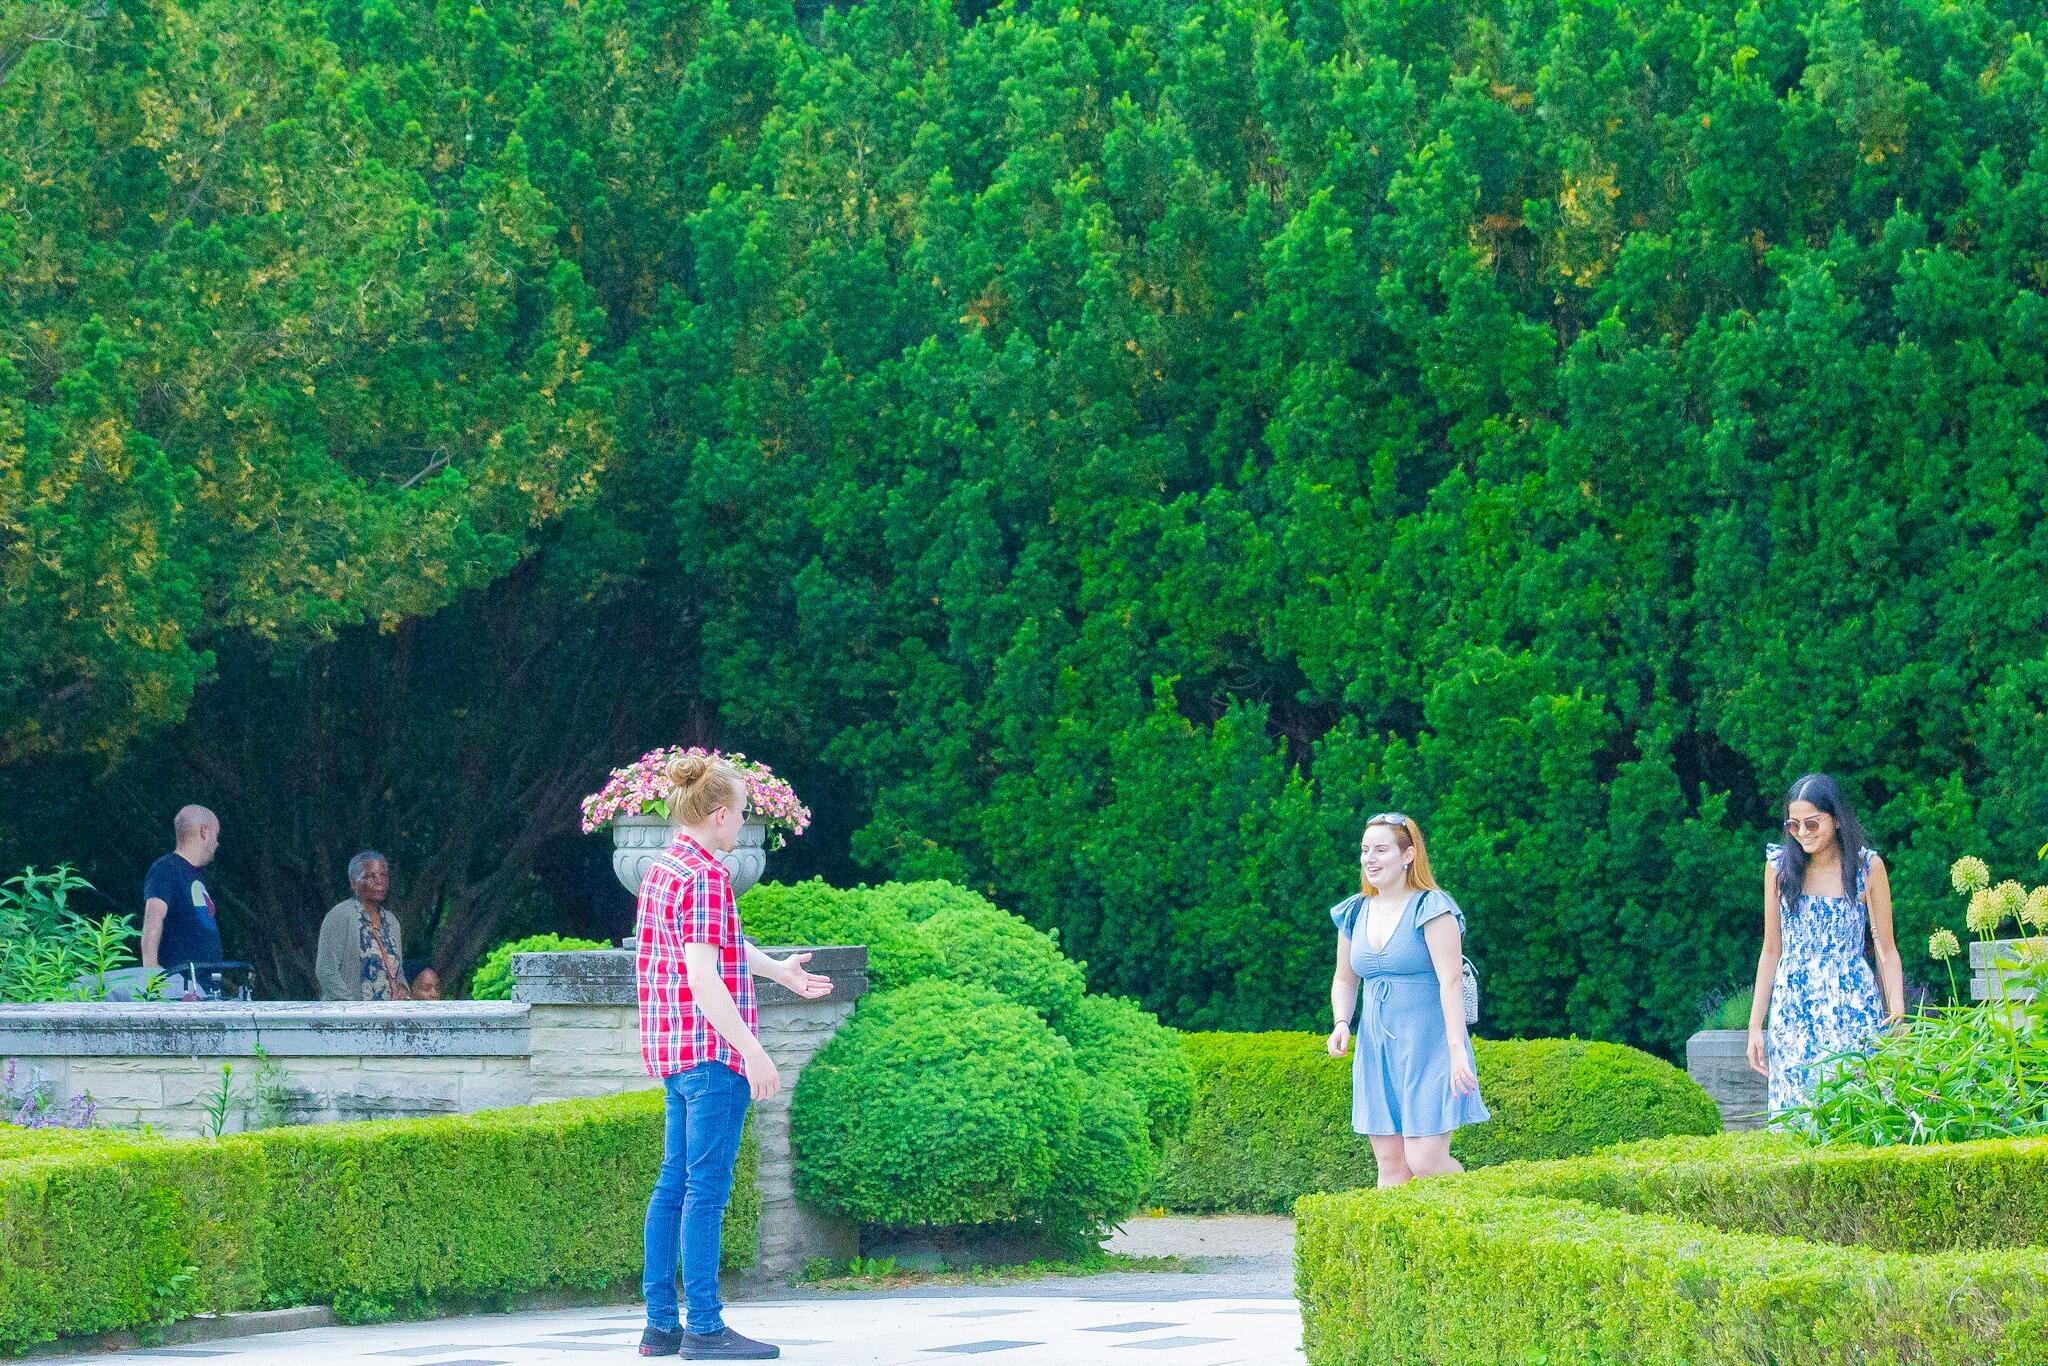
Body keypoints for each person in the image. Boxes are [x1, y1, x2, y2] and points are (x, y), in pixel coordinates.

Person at [637, 753, 832, 1361]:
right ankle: (705, 1329)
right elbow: (703, 973)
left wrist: (780, 971)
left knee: (674, 1185)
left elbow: (720, 945)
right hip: (710, 1055)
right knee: (705, 1191)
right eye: (743, 814)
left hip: (673, 1053)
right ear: (719, 816)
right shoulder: (707, 876)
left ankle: (661, 1328)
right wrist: (754, 1053)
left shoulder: (665, 866)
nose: (744, 823)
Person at [1325, 811, 1489, 1186]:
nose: (1370, 859)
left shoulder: (1432, 907)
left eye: (1381, 849)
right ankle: (1402, 1245)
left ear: (1408, 855)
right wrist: (1340, 1024)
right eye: (1366, 850)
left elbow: (1450, 981)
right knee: (1392, 1167)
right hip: (1376, 1046)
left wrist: (1457, 1050)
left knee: (1426, 1161)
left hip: (1430, 1045)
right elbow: (1344, 978)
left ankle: (1477, 1201)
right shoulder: (1354, 912)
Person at [1746, 773, 1905, 1119]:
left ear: (1835, 820)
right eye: (1794, 825)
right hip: (1793, 1013)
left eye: (1812, 824)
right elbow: (1771, 950)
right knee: (1796, 1118)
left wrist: (1897, 1012)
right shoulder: (1779, 869)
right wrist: (1755, 1026)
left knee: (1856, 1113)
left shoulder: (1867, 868)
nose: (1803, 833)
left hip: (1853, 1007)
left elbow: (1886, 948)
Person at [141, 805, 224, 987]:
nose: (217, 844)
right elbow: (153, 917)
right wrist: (151, 974)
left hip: (202, 988)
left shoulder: (194, 875)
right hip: (181, 988)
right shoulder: (167, 868)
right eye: (216, 835)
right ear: (205, 832)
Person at [315, 852, 409, 1001]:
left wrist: (402, 987)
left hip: (387, 1017)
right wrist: (353, 1010)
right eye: (370, 876)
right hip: (348, 1017)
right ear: (353, 883)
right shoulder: (340, 916)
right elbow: (326, 970)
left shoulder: (392, 922)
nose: (379, 881)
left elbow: (396, 969)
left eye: (384, 875)